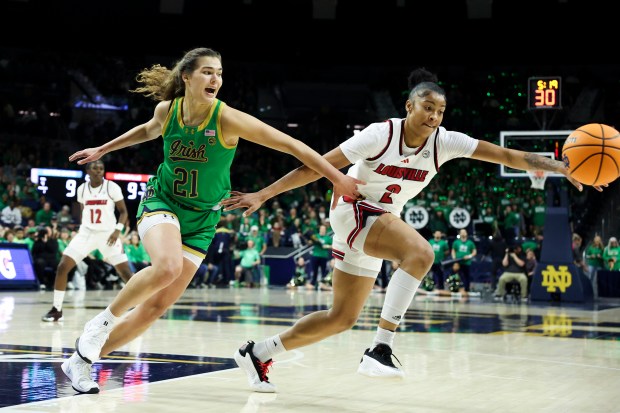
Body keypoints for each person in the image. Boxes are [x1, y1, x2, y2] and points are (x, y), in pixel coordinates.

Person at [222, 67, 594, 393]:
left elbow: (506, 155)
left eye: (440, 111)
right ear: (409, 106)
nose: (434, 116)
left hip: (378, 219)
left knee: (342, 317)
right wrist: (264, 194)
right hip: (353, 209)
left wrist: (558, 165)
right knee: (421, 253)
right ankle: (380, 348)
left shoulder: (446, 142)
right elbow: (317, 166)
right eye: (427, 107)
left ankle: (257, 352)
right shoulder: (378, 134)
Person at [59, 47, 362, 394]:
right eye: (207, 71)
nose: (215, 78)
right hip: (163, 201)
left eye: (218, 73)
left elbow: (293, 145)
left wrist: (336, 178)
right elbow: (146, 130)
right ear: (186, 77)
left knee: (155, 307)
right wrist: (104, 149)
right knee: (168, 266)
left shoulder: (227, 118)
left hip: (203, 219)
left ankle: (81, 359)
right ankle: (100, 325)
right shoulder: (167, 110)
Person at [41, 160, 134, 323]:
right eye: (95, 168)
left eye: (101, 168)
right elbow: (84, 211)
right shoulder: (82, 189)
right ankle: (57, 310)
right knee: (63, 267)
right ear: (88, 172)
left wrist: (117, 230)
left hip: (108, 234)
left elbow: (123, 212)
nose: (99, 171)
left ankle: (140, 305)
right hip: (86, 233)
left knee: (125, 272)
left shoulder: (111, 187)